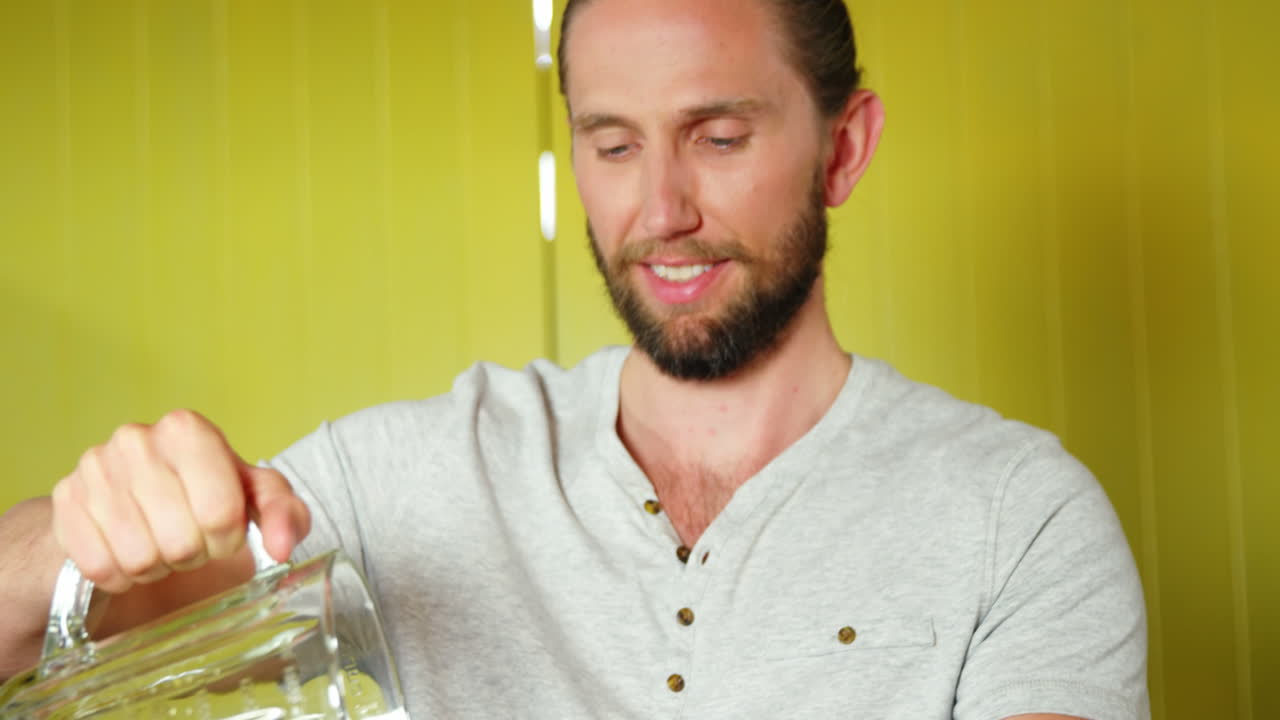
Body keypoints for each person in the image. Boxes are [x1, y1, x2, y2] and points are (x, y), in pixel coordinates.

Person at [0, 0, 1148, 717]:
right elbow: (38, 641)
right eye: (611, 143)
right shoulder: (410, 477)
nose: (659, 209)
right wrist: (70, 538)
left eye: (719, 136)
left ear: (840, 149)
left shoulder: (1018, 519)